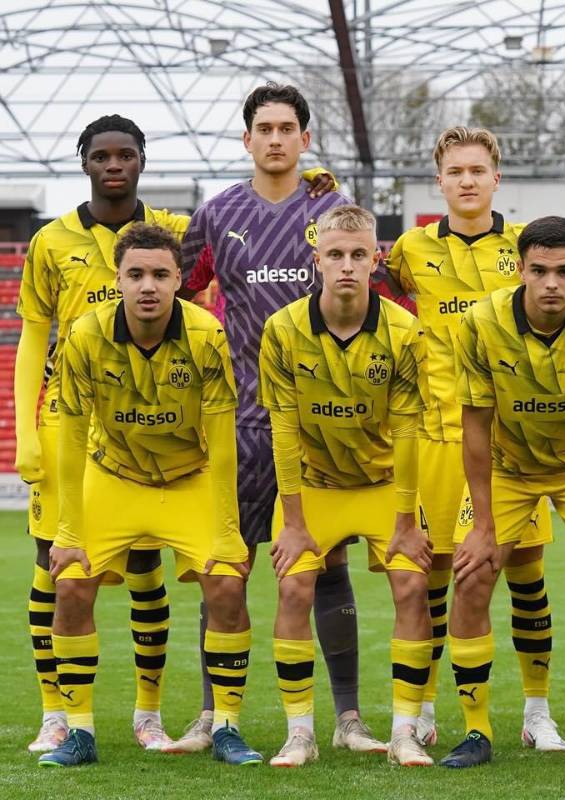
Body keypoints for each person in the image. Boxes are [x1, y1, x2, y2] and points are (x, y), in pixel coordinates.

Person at [173, 82, 376, 754]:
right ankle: (212, 713)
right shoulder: (217, 212)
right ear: (247, 139)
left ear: (305, 138)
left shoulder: (332, 209)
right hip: (235, 424)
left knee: (326, 565)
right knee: (223, 568)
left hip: (319, 426)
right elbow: (175, 289)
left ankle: (346, 717)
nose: (276, 138)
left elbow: (378, 279)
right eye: (264, 127)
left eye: (288, 127)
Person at [38, 223, 259, 768]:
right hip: (112, 476)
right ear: (118, 280)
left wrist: (228, 530)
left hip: (189, 478)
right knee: (69, 587)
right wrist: (67, 531)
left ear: (180, 279)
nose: (148, 286)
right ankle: (79, 732)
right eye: (135, 274)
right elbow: (68, 435)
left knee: (227, 586)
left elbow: (224, 439)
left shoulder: (206, 333)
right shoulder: (86, 336)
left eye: (160, 274)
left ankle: (227, 726)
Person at [441, 216, 565, 768]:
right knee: (472, 574)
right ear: (520, 269)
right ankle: (477, 732)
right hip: (509, 466)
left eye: (563, 271)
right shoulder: (482, 323)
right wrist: (483, 527)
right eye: (539, 271)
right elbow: (476, 425)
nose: (551, 283)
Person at [386, 126, 561, 751]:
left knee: (524, 571)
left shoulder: (524, 248)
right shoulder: (409, 250)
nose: (466, 180)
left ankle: (537, 710)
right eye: (455, 171)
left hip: (514, 440)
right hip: (437, 435)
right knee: (435, 572)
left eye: (477, 170)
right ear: (440, 180)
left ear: (496, 177)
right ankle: (428, 706)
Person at [15, 114, 185, 753]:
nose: (114, 165)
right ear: (84, 161)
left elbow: (243, 237)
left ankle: (148, 712)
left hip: (142, 429)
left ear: (142, 160)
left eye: (126, 155)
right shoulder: (50, 241)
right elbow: (35, 336)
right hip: (66, 426)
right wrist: (28, 431)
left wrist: (308, 194)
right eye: (101, 156)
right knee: (52, 566)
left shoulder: (171, 232)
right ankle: (54, 712)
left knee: (144, 563)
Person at [258, 205, 434, 767]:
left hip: (385, 485)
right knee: (293, 588)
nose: (347, 266)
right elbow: (282, 431)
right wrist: (293, 521)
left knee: (411, 587)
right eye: (335, 255)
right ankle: (301, 731)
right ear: (317, 261)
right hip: (314, 487)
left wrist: (407, 523)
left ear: (376, 259)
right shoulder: (283, 329)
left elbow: (408, 431)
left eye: (359, 254)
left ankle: (405, 731)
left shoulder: (405, 331)